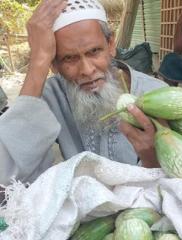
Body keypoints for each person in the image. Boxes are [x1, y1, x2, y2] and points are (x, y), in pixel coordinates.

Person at [0, 0, 169, 185]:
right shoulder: (51, 96)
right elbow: (5, 175)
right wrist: (38, 63)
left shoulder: (158, 95)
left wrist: (153, 159)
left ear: (111, 44)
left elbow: (177, 185)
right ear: (54, 64)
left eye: (94, 51)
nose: (87, 70)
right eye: (69, 58)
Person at [158, 3, 182, 89]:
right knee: (171, 59)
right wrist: (180, 23)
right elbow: (178, 49)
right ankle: (172, 91)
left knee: (170, 60)